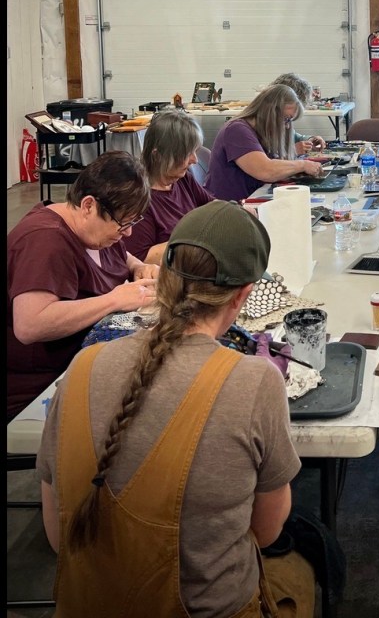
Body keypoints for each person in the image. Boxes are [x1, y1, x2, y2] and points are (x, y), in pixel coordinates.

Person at [36, 199, 314, 617]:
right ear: (243, 295)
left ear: (163, 279)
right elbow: (266, 530)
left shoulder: (83, 366)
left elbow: (58, 536)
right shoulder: (255, 381)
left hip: (86, 604)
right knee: (307, 562)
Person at [7, 150, 158, 421]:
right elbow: (30, 324)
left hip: (84, 362)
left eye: (133, 222)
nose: (128, 232)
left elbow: (121, 255)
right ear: (88, 205)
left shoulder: (95, 232)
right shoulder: (45, 242)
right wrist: (114, 300)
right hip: (40, 386)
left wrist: (137, 267)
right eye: (123, 224)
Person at [205, 84, 324, 202]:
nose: (287, 126)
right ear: (270, 111)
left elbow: (275, 164)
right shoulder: (237, 130)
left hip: (247, 200)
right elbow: (266, 171)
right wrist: (302, 165)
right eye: (286, 119)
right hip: (228, 207)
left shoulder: (261, 131)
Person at [125, 109, 215, 266]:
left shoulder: (183, 179)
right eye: (187, 153)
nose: (194, 160)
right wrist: (199, 237)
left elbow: (213, 207)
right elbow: (141, 257)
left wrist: (236, 209)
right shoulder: (139, 198)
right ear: (158, 156)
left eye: (194, 151)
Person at [271, 72, 326, 153]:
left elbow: (294, 136)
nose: (287, 126)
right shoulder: (260, 124)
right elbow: (264, 159)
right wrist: (293, 151)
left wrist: (310, 140)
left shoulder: (281, 118)